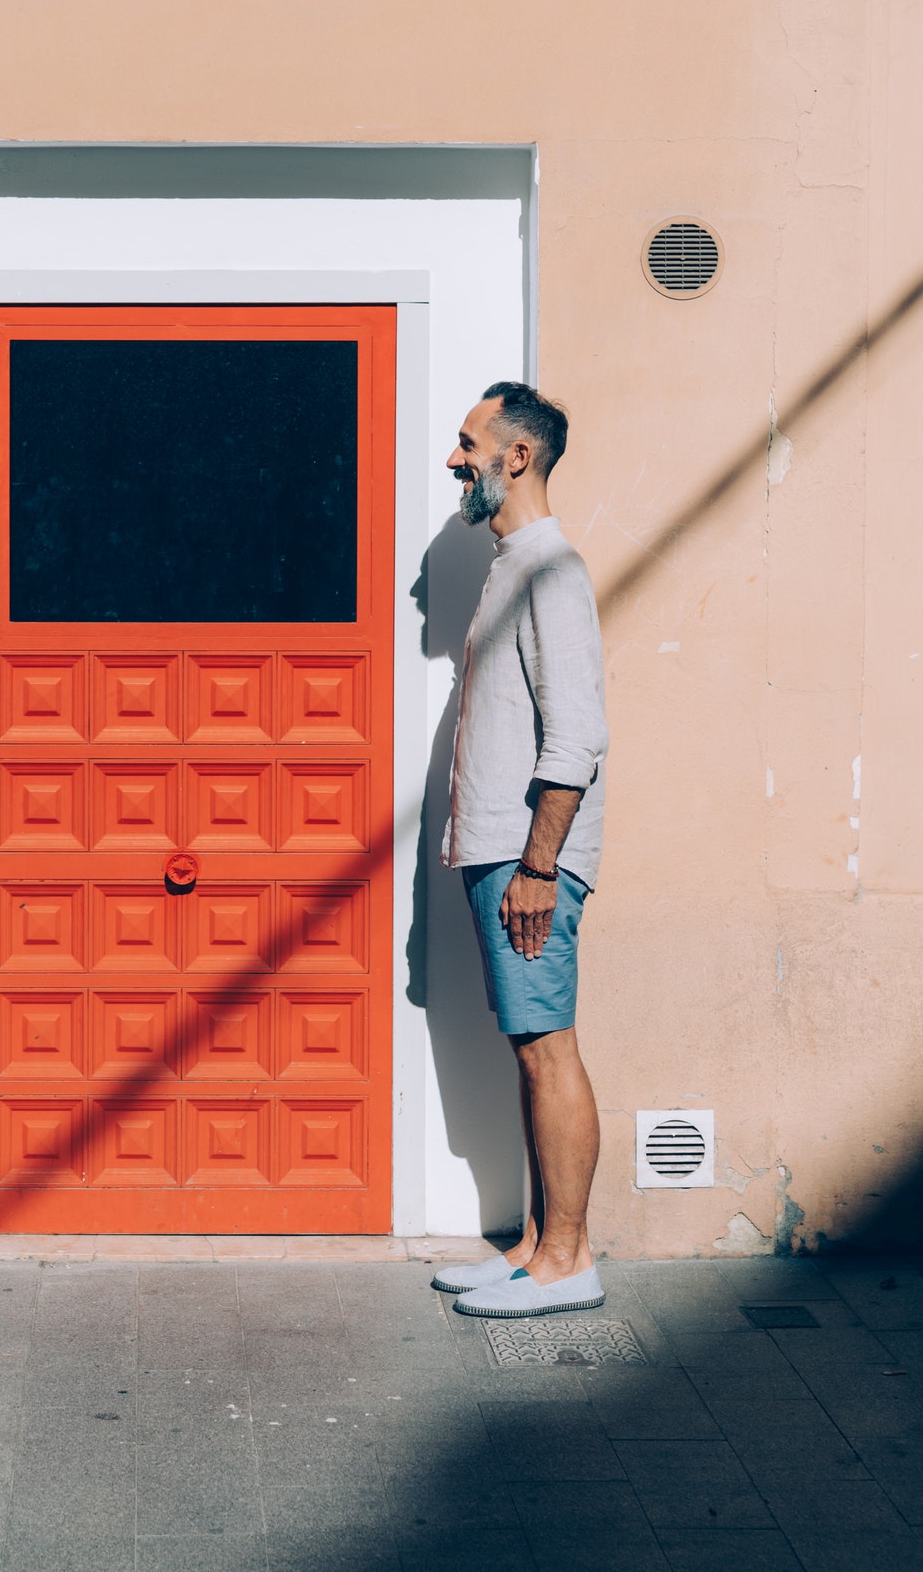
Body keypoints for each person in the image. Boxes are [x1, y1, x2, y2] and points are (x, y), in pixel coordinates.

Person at [431, 383, 609, 1319]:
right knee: (528, 1049)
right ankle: (536, 1248)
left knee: (547, 1048)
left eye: (467, 444)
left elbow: (575, 735)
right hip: (504, 850)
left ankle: (568, 1263)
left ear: (516, 457)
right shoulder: (514, 562)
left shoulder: (550, 568)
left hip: (528, 855)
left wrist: (539, 867)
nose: (453, 459)